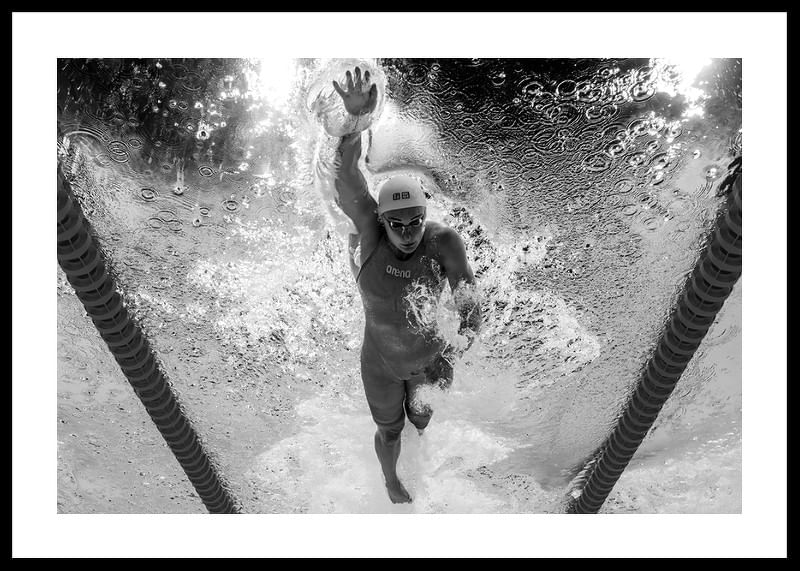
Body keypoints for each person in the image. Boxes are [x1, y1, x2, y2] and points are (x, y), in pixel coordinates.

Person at [327, 66, 482, 504]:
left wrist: (456, 347)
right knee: (390, 432)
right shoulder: (369, 235)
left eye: (416, 221)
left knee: (422, 421)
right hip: (380, 363)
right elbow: (347, 178)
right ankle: (391, 481)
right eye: (397, 224)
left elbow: (471, 305)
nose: (408, 232)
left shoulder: (442, 242)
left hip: (431, 361)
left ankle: (421, 439)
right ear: (382, 220)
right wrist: (354, 121)